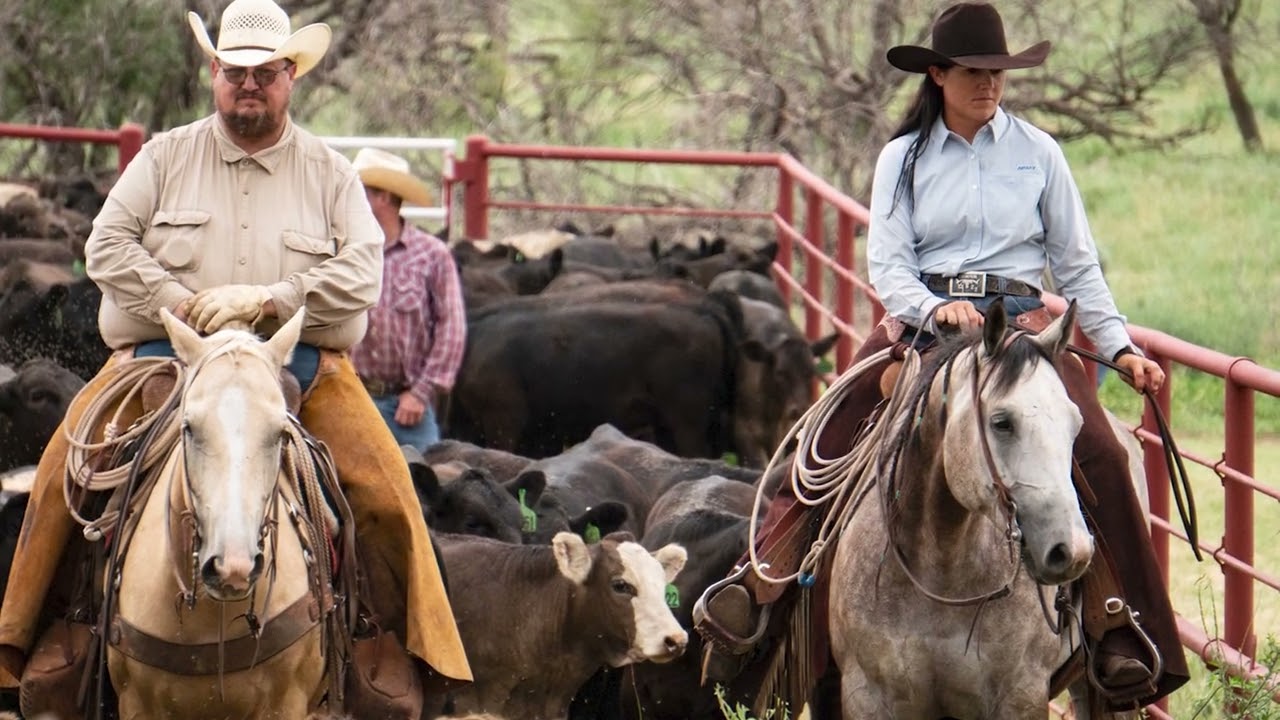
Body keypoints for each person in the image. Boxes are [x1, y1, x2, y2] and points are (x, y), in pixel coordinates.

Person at [695, 2, 1189, 711]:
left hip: (1020, 325)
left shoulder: (1039, 153)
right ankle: (765, 581)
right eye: (973, 72)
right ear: (938, 75)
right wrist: (932, 308)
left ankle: (1119, 628)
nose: (989, 84)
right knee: (827, 439)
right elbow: (888, 262)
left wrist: (1121, 349)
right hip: (921, 324)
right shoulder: (904, 158)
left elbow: (1078, 269)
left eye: (997, 72)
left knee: (1103, 456)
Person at [0, 0, 471, 713]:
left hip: (300, 370)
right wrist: (181, 301)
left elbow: (362, 270)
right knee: (65, 470)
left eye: (265, 73)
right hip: (159, 361)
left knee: (387, 490)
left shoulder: (329, 172)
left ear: (290, 76)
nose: (249, 84)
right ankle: (46, 641)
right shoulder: (165, 155)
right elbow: (106, 245)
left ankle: (389, 652)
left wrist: (272, 300)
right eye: (234, 71)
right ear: (214, 73)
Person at [348, 148, 466, 452]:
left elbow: (451, 328)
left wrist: (420, 392)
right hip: (350, 396)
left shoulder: (432, 254)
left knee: (425, 486)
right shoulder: (342, 249)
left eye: (359, 192)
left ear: (383, 198)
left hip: (406, 404)